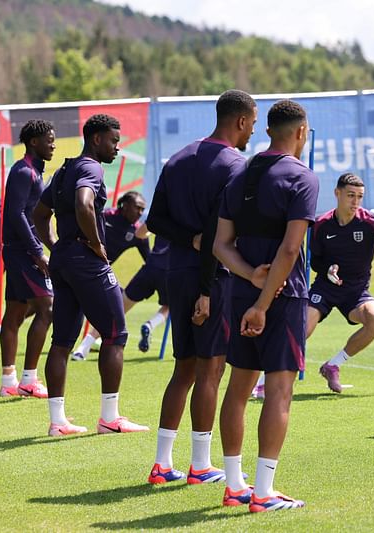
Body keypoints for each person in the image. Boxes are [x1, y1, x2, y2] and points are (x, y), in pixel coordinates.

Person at [146, 89, 256, 486]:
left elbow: (155, 219)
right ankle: (200, 465)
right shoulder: (235, 165)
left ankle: (161, 464)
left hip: (176, 272)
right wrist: (208, 290)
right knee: (211, 369)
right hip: (214, 278)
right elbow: (217, 231)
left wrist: (190, 239)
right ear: (240, 121)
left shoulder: (177, 159)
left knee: (185, 368)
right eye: (253, 124)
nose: (253, 132)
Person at [251, 172, 374, 400]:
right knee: (302, 327)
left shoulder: (371, 223)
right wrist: (327, 270)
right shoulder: (320, 225)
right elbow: (316, 261)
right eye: (351, 195)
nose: (355, 202)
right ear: (337, 194)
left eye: (360, 197)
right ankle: (264, 381)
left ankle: (333, 365)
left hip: (356, 293)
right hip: (325, 289)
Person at [214, 99, 317, 512]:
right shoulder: (302, 178)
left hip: (240, 294)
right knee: (278, 390)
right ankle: (262, 491)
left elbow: (222, 246)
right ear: (300, 133)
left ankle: (234, 484)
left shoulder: (238, 175)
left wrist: (249, 279)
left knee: (238, 386)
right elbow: (291, 249)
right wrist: (263, 300)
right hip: (283, 297)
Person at [33, 113, 148, 436]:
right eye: (113, 140)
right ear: (96, 139)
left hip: (64, 260)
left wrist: (55, 245)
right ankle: (109, 418)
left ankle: (58, 422)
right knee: (116, 335)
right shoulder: (90, 167)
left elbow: (39, 213)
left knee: (62, 342)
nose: (117, 147)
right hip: (86, 262)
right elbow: (85, 204)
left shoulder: (64, 168)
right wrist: (97, 245)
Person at [0, 119, 55, 399]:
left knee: (16, 313)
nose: (53, 144)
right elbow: (16, 214)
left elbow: (35, 216)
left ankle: (8, 381)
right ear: (34, 142)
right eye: (49, 140)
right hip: (22, 253)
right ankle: (28, 380)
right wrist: (37, 251)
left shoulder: (35, 171)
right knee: (47, 308)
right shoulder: (24, 172)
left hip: (21, 250)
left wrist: (51, 244)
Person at [72, 190, 153, 360]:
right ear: (125, 206)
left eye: (142, 209)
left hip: (100, 271)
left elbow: (150, 260)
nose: (139, 213)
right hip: (80, 264)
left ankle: (88, 344)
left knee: (113, 303)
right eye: (137, 208)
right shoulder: (105, 215)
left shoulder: (137, 232)